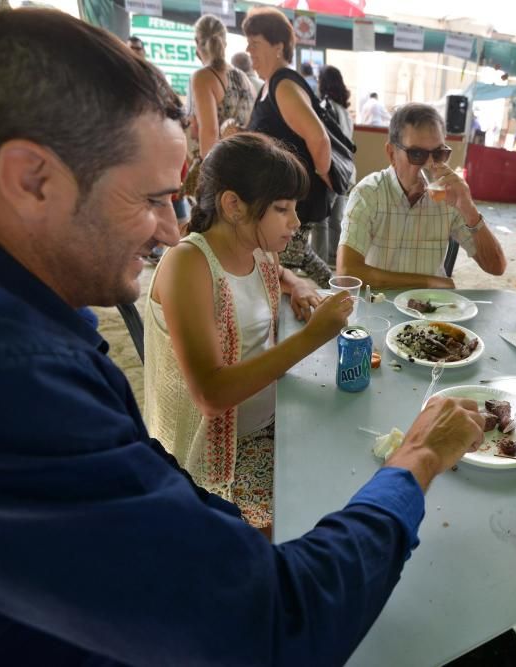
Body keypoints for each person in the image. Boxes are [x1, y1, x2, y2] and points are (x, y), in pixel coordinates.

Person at [0, 9, 486, 664]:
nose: (167, 229)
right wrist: (415, 462)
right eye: (153, 198)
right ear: (31, 178)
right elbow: (272, 621)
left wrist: (220, 531)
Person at [144, 133, 350, 537]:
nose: (294, 222)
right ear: (233, 205)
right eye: (282, 209)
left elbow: (277, 273)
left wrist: (299, 286)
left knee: (345, 462)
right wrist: (311, 337)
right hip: (215, 457)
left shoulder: (259, 249)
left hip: (272, 421)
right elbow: (210, 395)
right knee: (304, 523)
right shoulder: (188, 265)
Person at [337, 103, 507, 288]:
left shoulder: (449, 198)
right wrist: (428, 282)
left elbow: (496, 267)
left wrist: (469, 210)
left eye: (439, 154)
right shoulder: (368, 194)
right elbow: (347, 274)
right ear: (392, 154)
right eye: (416, 154)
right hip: (379, 307)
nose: (430, 164)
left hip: (430, 309)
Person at [243, 7, 333, 288]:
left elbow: (319, 138)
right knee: (288, 258)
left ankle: (338, 294)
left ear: (278, 46)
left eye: (255, 43)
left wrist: (319, 174)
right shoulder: (269, 84)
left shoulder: (284, 85)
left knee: (285, 262)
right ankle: (338, 291)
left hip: (292, 197)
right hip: (277, 193)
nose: (248, 50)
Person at [189, 14, 254, 159]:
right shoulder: (244, 78)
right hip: (246, 164)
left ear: (197, 42)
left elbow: (210, 133)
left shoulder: (202, 77)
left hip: (221, 168)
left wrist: (206, 175)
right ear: (225, 42)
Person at [316, 64, 353, 265]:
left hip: (331, 169)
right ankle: (335, 258)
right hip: (347, 170)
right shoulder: (346, 112)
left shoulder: (325, 108)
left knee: (320, 219)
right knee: (337, 218)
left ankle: (320, 259)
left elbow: (323, 140)